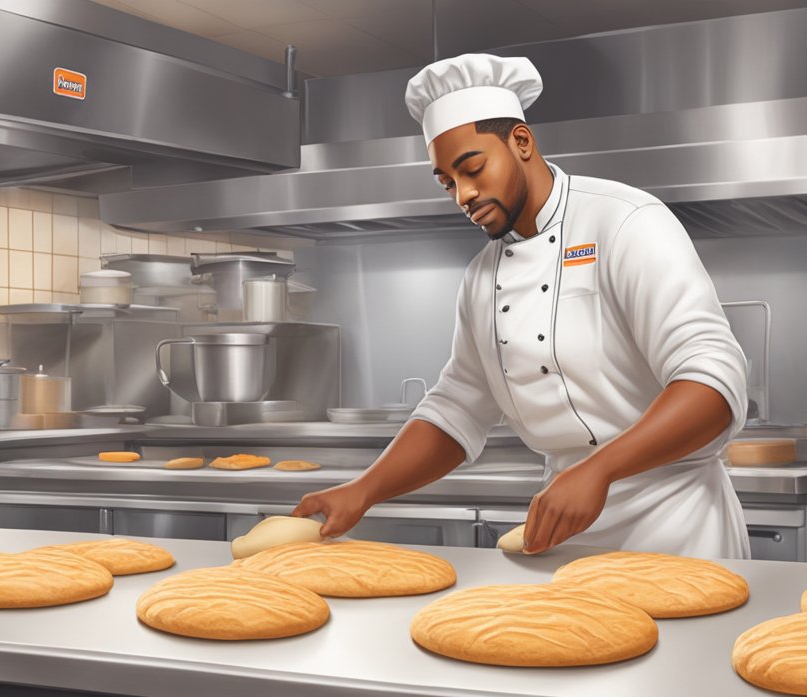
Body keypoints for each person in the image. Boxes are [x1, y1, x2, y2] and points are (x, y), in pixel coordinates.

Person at [292, 53, 750, 558]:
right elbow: (457, 407)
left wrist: (598, 470)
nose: (464, 194)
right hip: (562, 528)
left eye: (473, 168)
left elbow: (713, 380)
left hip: (677, 527)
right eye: (447, 182)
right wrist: (363, 490)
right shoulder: (481, 277)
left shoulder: (625, 222)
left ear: (522, 143)